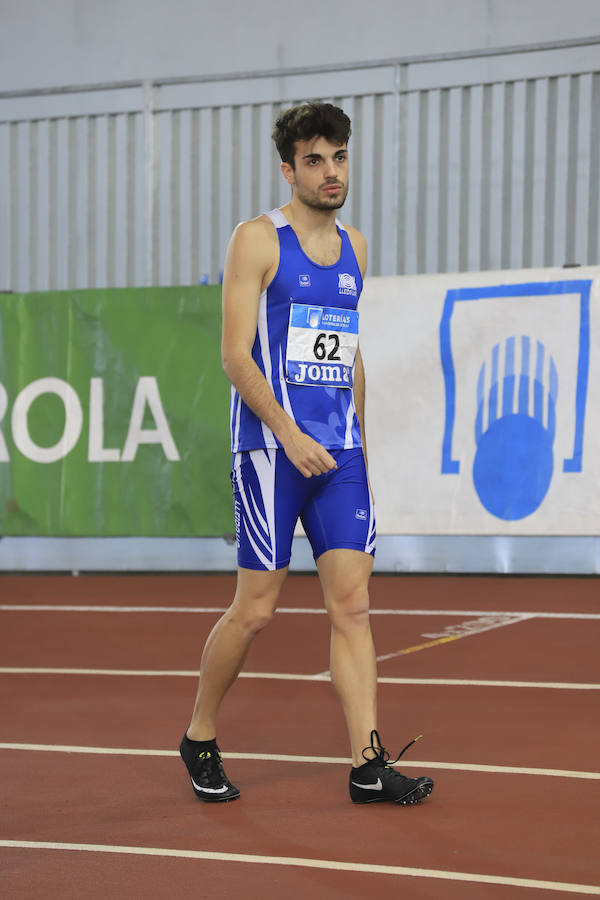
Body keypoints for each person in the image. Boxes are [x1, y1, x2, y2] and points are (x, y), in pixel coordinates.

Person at [180, 102, 434, 806]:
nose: (331, 172)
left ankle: (367, 764)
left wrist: (358, 437)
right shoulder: (258, 241)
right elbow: (235, 356)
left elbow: (345, 350)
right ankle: (200, 734)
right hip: (269, 450)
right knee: (255, 611)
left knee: (353, 605)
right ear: (288, 168)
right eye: (316, 160)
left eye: (340, 157)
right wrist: (289, 435)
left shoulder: (354, 245)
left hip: (340, 456)